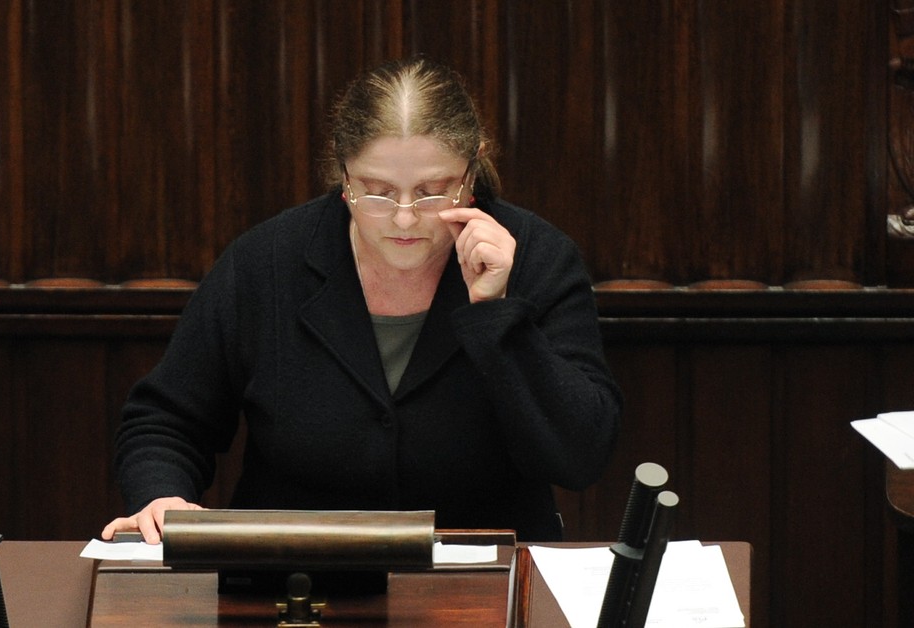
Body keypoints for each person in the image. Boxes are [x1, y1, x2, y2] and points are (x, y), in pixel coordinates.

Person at [102, 56, 621, 544]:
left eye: (433, 190)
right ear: (343, 175)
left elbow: (581, 455)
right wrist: (162, 495)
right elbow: (166, 421)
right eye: (377, 191)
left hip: (487, 570)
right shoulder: (268, 262)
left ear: (472, 170)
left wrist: (497, 315)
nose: (404, 217)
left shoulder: (537, 258)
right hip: (293, 568)